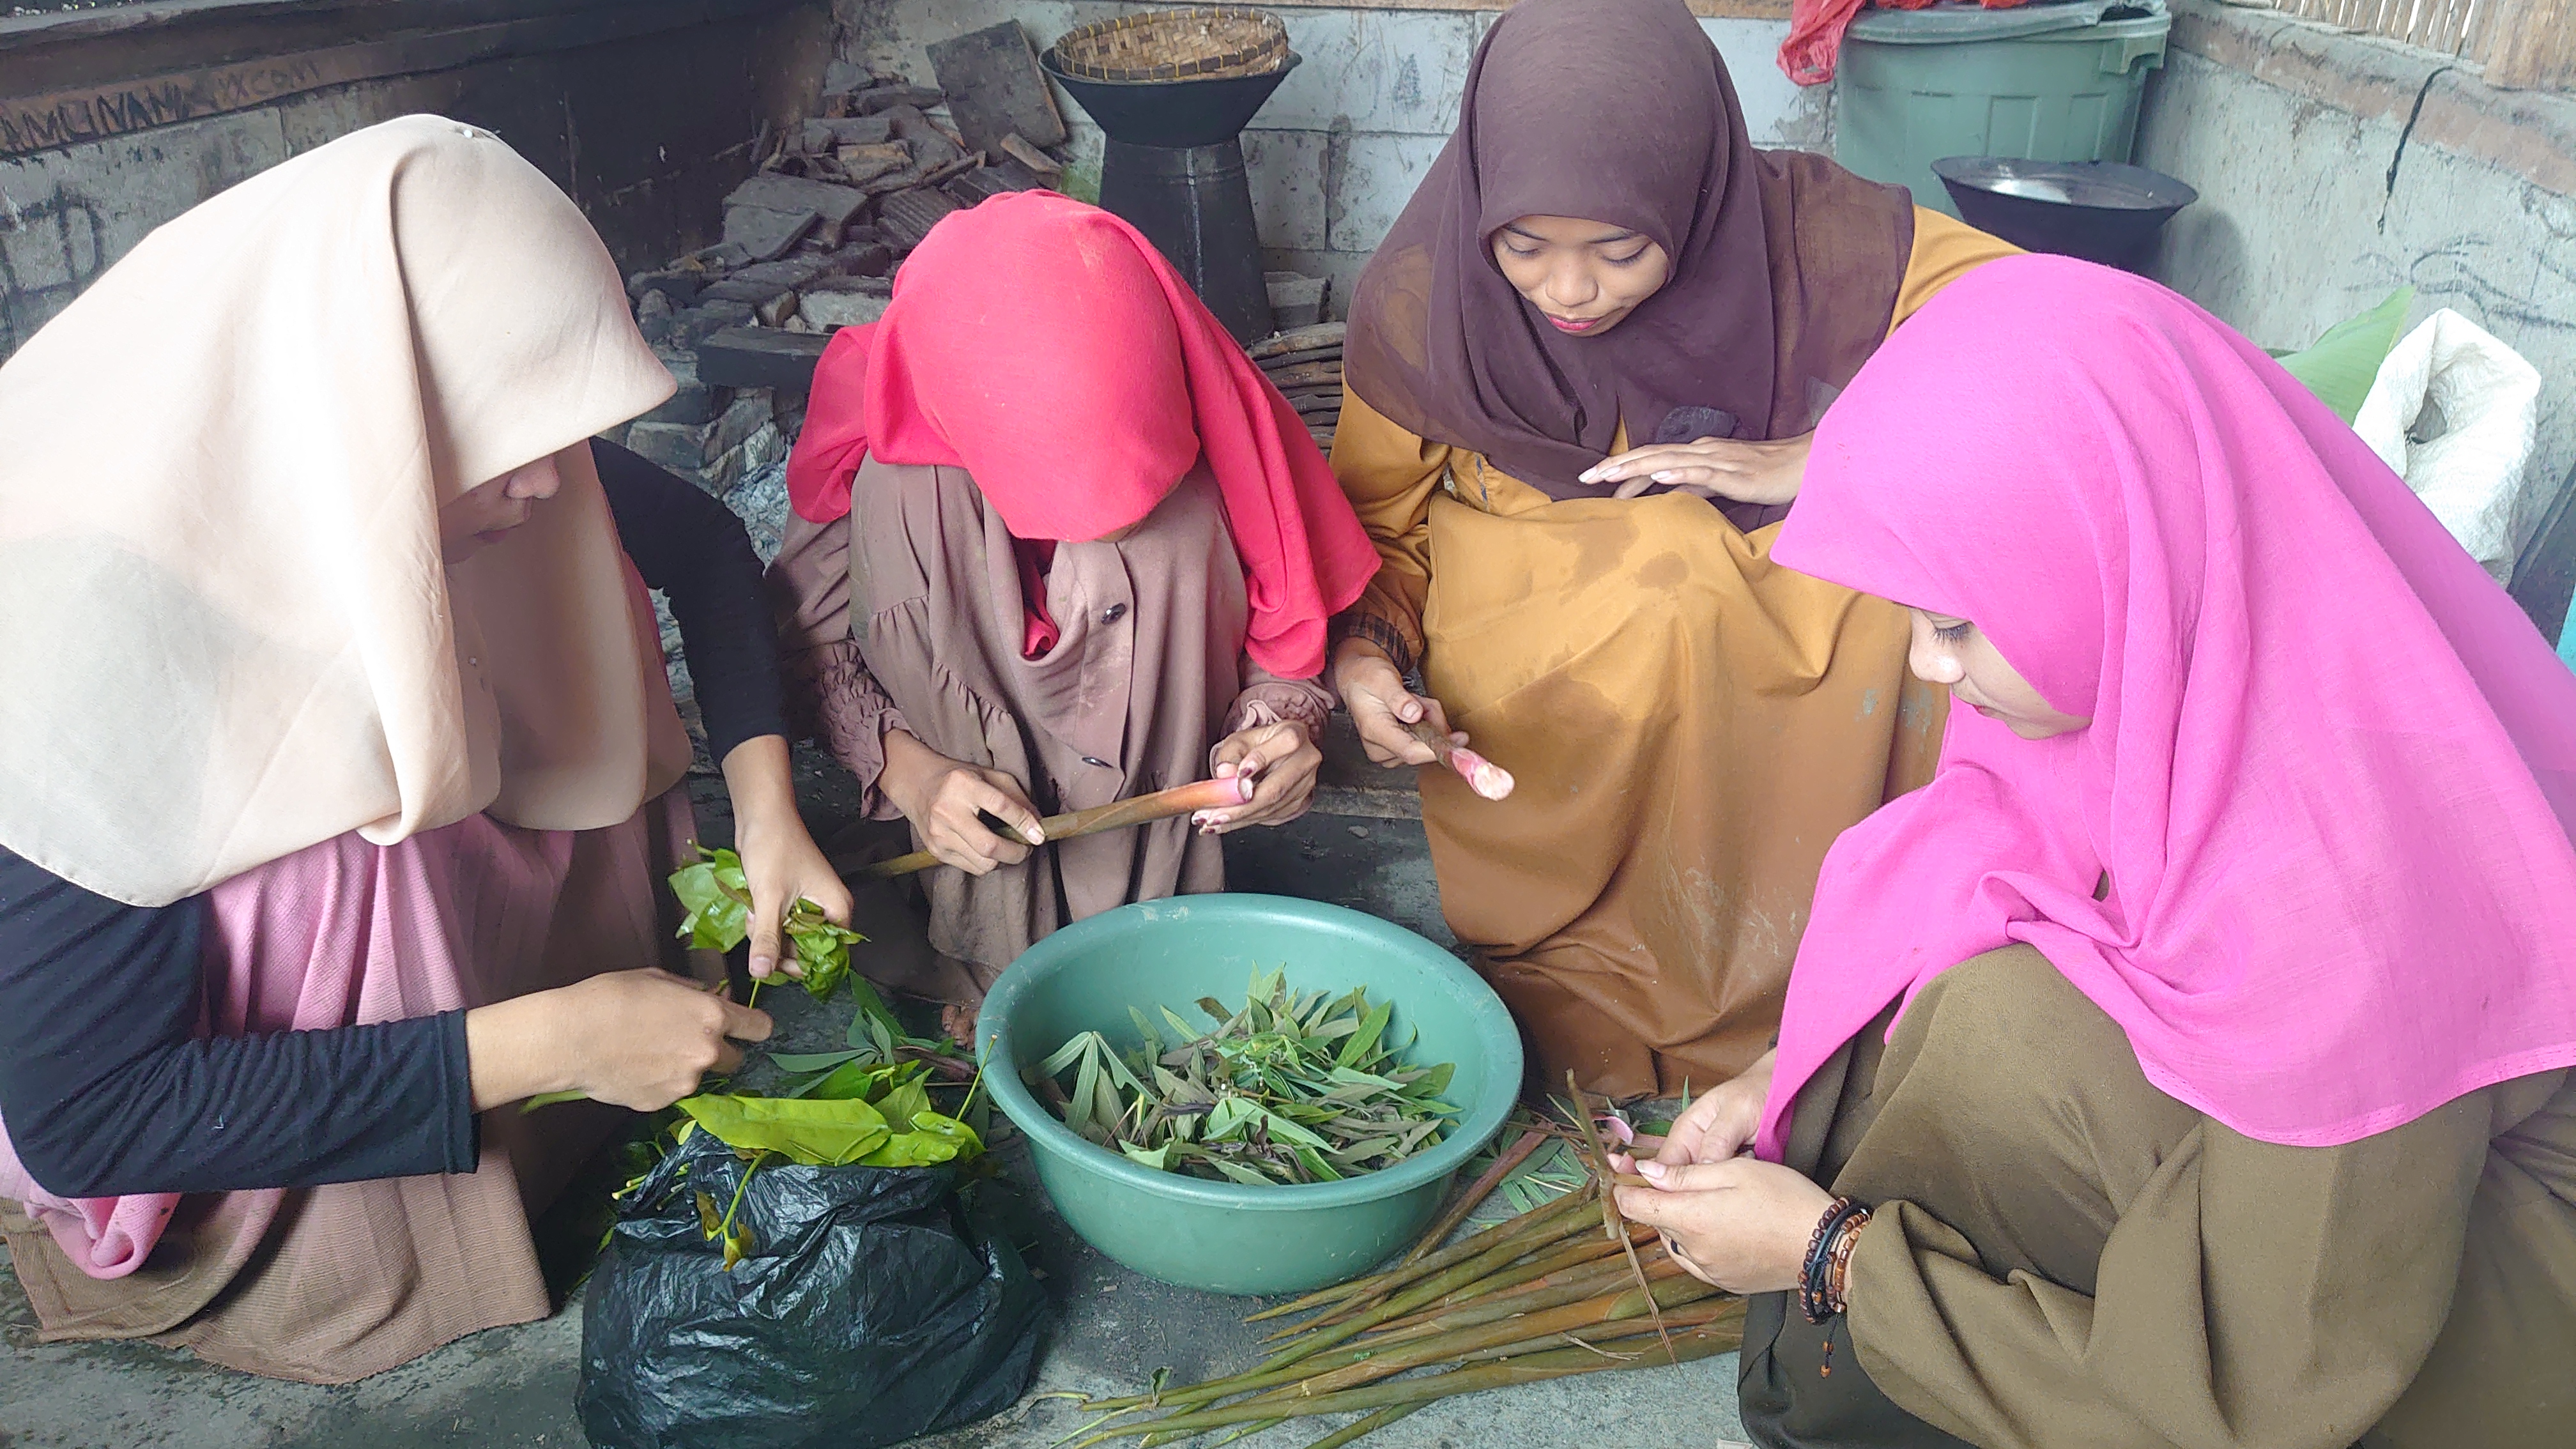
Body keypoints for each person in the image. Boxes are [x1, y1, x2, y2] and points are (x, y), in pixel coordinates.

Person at [1611, 256, 2576, 1448]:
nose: (1927, 666)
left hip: (2432, 1318)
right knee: (1965, 1003)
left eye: (1957, 621)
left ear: (2108, 550)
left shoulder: (2344, 881)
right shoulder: (2172, 659)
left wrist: (1836, 1257)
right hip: (2298, 1178)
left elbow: (2272, 1393)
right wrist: (1784, 1074)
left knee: (1999, 1048)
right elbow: (1973, 899)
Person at [0, 117, 850, 1384]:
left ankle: (574, 1054)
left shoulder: (376, 440)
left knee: (574, 588)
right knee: (337, 841)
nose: (556, 479)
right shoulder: (79, 640)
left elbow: (706, 550)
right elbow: (88, 1120)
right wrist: (554, 1048)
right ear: (377, 401)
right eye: (517, 437)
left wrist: (768, 808)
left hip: (505, 993)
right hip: (252, 1132)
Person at [1328, 0, 2020, 1100]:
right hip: (1551, 612)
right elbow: (1373, 530)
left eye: (1620, 249)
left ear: (1692, 197)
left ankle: (1840, 974)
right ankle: (1622, 971)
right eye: (1523, 245)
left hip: (1783, 554)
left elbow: (2045, 325)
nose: (1569, 291)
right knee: (1662, 584)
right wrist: (1365, 663)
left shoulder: (1814, 238)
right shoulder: (1428, 302)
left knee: (1903, 597)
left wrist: (1818, 455)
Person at [769, 192, 1379, 1038]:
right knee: (907, 485)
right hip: (961, 828)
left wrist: (1277, 735)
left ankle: (1137, 933)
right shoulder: (894, 431)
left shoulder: (1214, 420)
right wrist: (914, 776)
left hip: (1157, 824)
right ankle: (984, 945)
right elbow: (808, 648)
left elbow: (1290, 650)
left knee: (1176, 527)